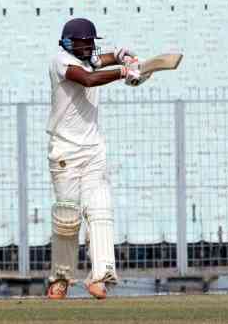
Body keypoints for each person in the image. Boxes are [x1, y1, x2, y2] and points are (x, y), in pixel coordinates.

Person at [46, 18, 150, 300]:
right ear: (71, 42)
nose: (91, 46)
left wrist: (122, 56)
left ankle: (100, 277)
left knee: (101, 211)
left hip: (93, 151)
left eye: (93, 42)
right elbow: (89, 78)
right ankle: (61, 279)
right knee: (68, 218)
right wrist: (122, 72)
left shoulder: (86, 56)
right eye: (86, 42)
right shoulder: (61, 61)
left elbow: (100, 60)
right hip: (65, 152)